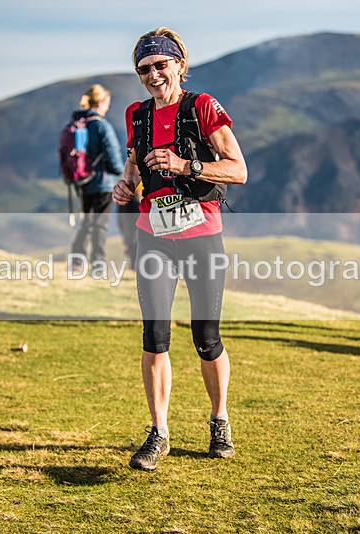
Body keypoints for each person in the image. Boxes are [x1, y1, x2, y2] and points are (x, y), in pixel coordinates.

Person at [113, 27, 247, 471]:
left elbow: (238, 170)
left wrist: (186, 164)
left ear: (180, 65)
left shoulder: (202, 107)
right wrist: (125, 184)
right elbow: (135, 161)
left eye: (160, 65)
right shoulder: (136, 114)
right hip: (153, 237)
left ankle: (219, 421)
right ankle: (159, 433)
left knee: (206, 339)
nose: (153, 75)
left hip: (202, 237)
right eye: (143, 69)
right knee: (154, 338)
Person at [66, 84, 125, 271]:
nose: (108, 107)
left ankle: (77, 260)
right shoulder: (101, 125)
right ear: (100, 102)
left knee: (87, 222)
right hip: (103, 182)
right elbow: (112, 154)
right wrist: (121, 172)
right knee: (100, 224)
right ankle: (98, 263)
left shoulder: (79, 124)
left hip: (83, 181)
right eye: (107, 103)